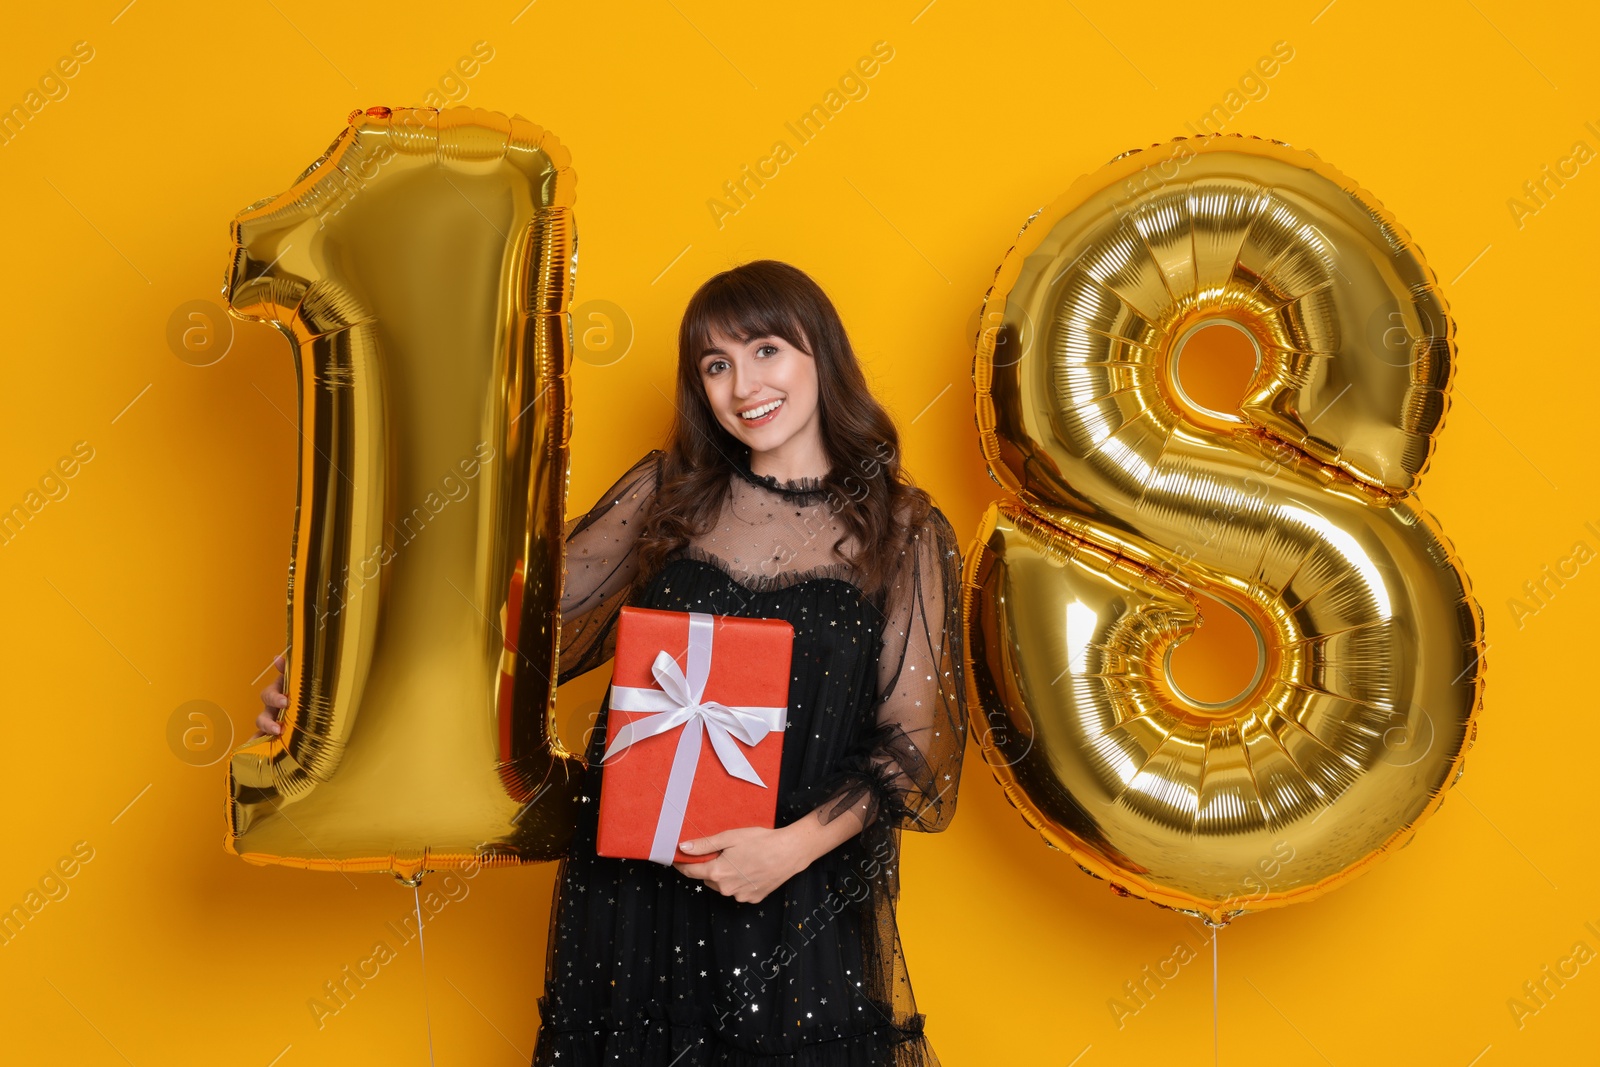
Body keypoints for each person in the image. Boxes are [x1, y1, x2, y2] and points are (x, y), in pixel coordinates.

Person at [259, 259, 967, 1065]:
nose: (743, 386)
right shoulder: (671, 493)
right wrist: (338, 684)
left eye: (766, 350)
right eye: (715, 365)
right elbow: (509, 636)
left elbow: (915, 751)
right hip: (636, 889)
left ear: (821, 356)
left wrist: (790, 849)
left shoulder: (901, 528)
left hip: (794, 889)